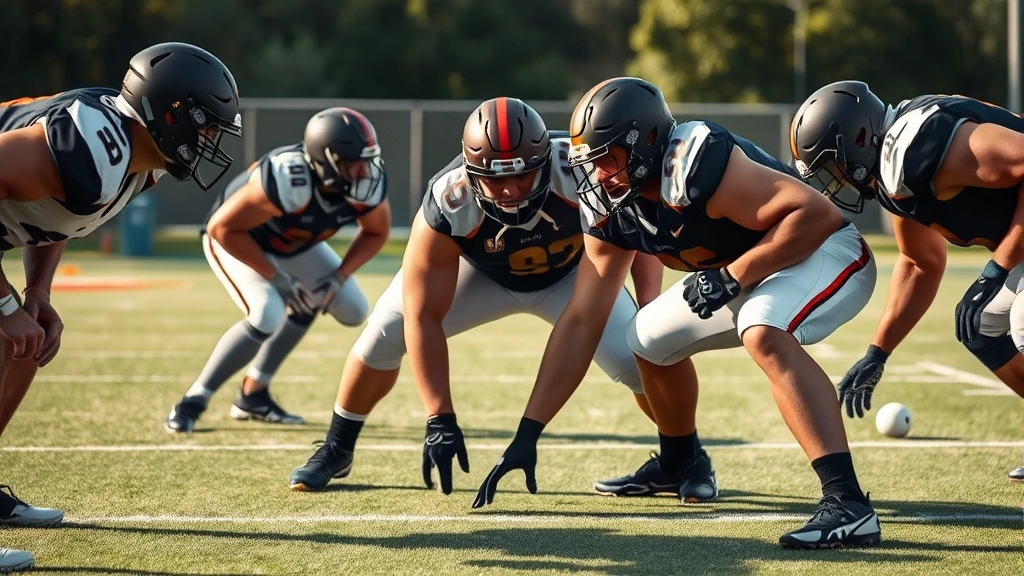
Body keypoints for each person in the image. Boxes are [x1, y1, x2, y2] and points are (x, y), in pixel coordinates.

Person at [472, 77, 881, 550]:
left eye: (607, 159)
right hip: (747, 273)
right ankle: (678, 462)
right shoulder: (608, 205)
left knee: (762, 329)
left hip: (821, 251)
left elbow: (816, 215)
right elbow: (582, 320)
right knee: (644, 337)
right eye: (591, 163)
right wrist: (529, 432)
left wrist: (733, 276)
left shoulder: (694, 163)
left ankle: (848, 504)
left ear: (645, 143)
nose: (599, 175)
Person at [287, 97, 686, 496]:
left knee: (641, 356)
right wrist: (438, 416)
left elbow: (636, 230)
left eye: (522, 177)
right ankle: (337, 447)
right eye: (495, 180)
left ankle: (685, 459)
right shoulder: (449, 200)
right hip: (479, 274)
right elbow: (422, 315)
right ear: (470, 172)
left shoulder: (582, 170)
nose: (510, 191)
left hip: (575, 277)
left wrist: (647, 302)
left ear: (545, 162)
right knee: (382, 335)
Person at [0, 42, 242, 572]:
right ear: (170, 115)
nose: (209, 143)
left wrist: (36, 293)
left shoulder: (133, 160)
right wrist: (2, 301)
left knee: (22, 344)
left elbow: (56, 215)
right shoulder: (91, 148)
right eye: (205, 128)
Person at [791, 80, 1024, 483]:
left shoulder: (919, 144)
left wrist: (998, 268)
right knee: (983, 327)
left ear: (859, 139)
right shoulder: (891, 172)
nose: (833, 183)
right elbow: (920, 262)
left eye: (832, 167)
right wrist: (878, 352)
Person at [165, 107, 391, 434]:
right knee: (267, 313)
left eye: (367, 160)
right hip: (239, 240)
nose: (362, 171)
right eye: (352, 162)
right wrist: (276, 279)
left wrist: (339, 275)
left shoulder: (361, 183)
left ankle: (253, 394)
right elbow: (222, 228)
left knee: (353, 308)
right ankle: (194, 399)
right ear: (324, 161)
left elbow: (376, 232)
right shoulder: (289, 179)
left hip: (293, 245)